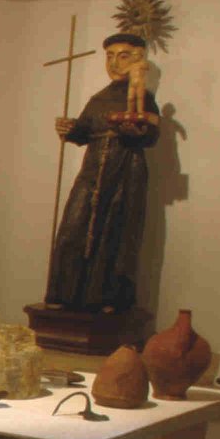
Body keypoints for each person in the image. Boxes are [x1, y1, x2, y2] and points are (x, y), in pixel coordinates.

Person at [44, 33, 161, 314]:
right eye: (110, 56)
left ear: (138, 59)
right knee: (74, 227)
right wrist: (69, 129)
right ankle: (65, 294)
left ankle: (109, 299)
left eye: (123, 56)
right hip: (92, 168)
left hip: (126, 170)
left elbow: (151, 134)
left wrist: (136, 131)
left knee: (116, 232)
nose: (115, 63)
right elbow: (84, 132)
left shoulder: (144, 98)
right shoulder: (99, 98)